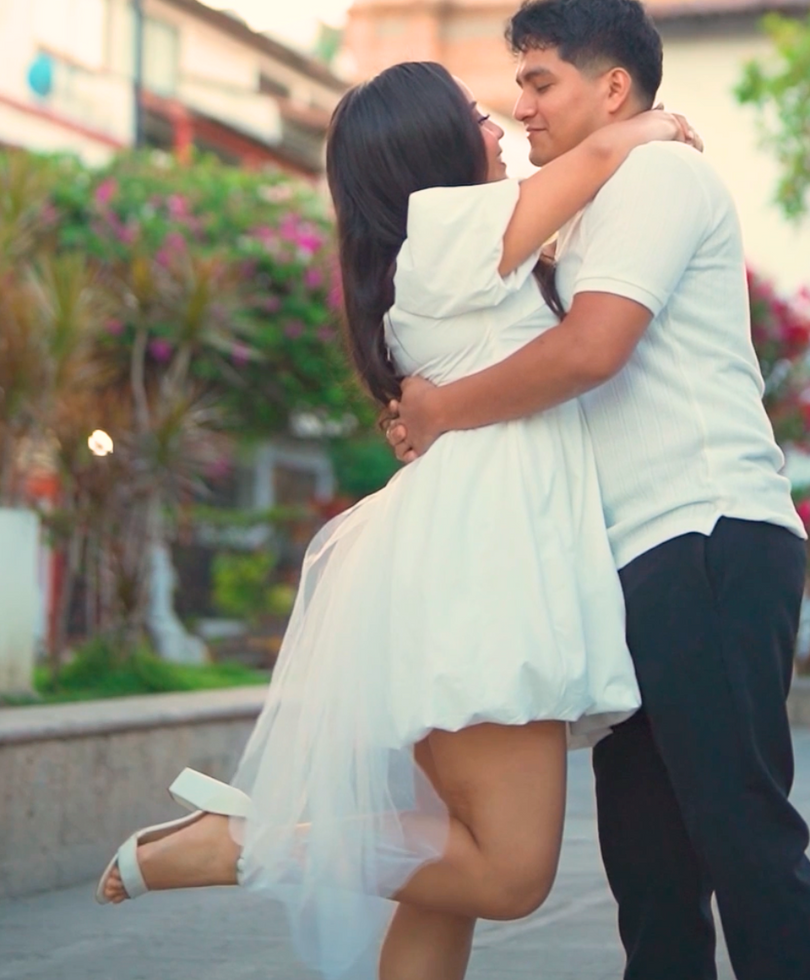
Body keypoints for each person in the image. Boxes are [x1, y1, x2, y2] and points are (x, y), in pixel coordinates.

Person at [95, 59, 699, 980]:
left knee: (440, 870)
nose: (497, 122)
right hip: (484, 573)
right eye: (471, 113)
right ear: (430, 146)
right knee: (505, 874)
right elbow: (598, 156)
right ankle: (240, 843)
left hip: (449, 566)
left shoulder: (425, 259)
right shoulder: (453, 225)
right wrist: (650, 127)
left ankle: (244, 838)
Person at [388, 0, 810, 980]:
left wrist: (440, 411)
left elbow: (592, 350)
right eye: (517, 85)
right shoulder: (584, 207)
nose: (522, 106)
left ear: (614, 85)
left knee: (742, 837)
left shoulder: (656, 176)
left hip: (705, 532)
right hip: (635, 562)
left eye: (540, 81)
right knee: (649, 870)